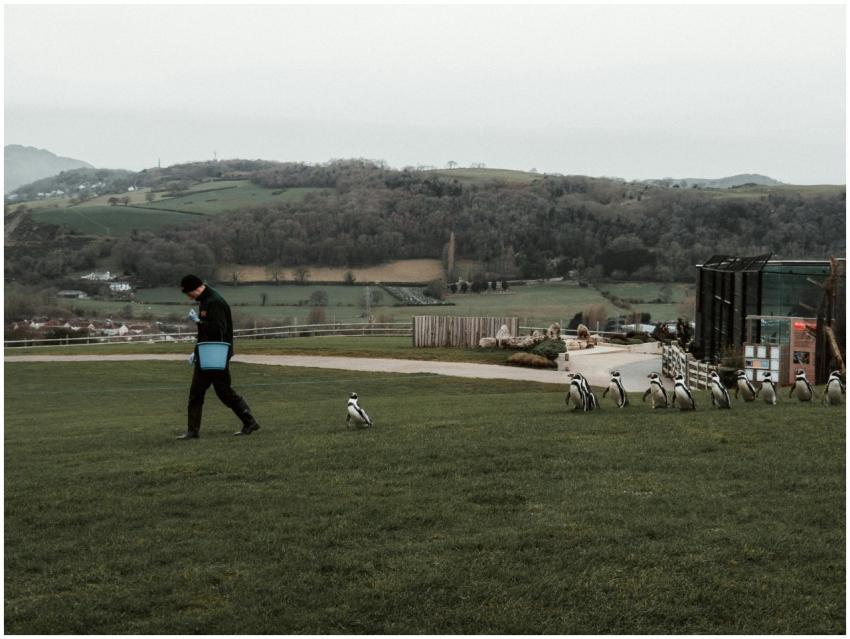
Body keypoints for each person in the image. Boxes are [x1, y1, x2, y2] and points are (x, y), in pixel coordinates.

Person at [177, 274, 261, 439]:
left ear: (197, 288)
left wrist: (198, 321)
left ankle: (250, 421)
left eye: (189, 293)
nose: (189, 297)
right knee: (196, 392)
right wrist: (197, 350)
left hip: (217, 354)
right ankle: (192, 431)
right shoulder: (204, 301)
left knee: (224, 392)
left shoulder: (215, 302)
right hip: (206, 353)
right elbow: (204, 333)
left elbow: (218, 329)